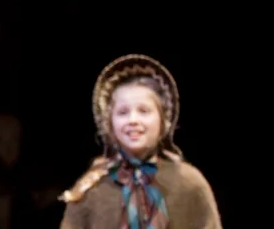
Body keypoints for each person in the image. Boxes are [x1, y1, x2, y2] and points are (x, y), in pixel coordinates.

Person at [59, 54, 222, 228]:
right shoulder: (91, 191)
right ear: (110, 123)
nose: (133, 120)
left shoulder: (189, 183)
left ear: (163, 121)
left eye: (144, 111)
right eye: (123, 112)